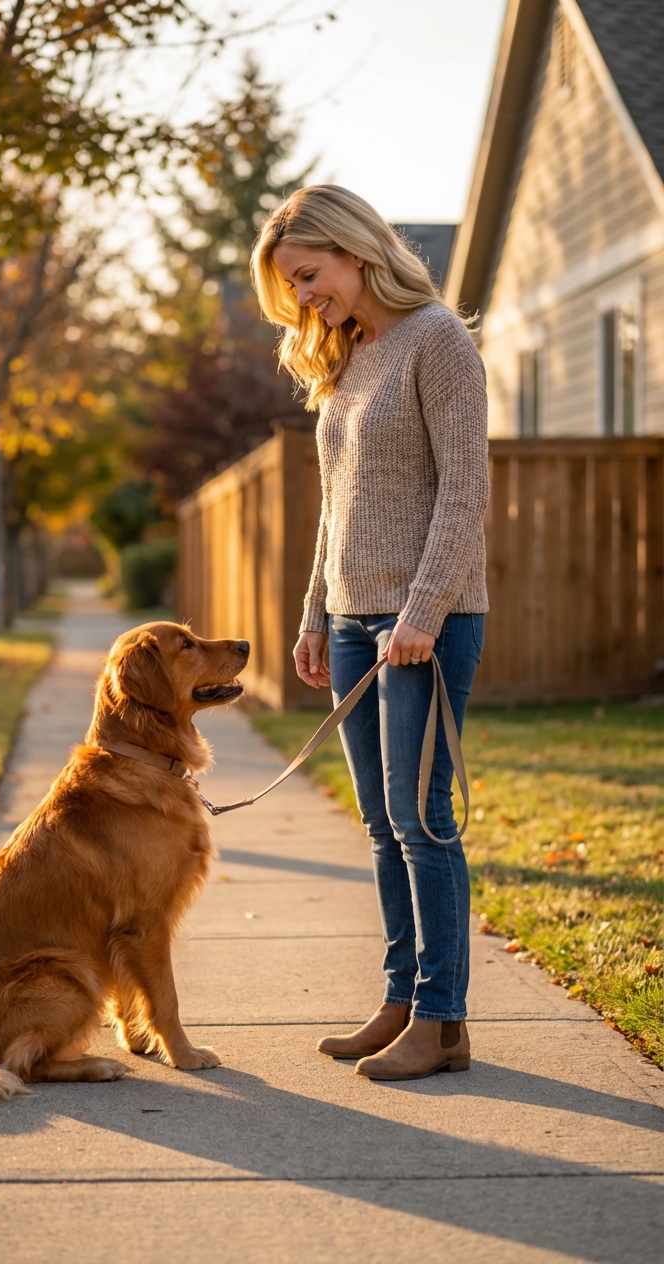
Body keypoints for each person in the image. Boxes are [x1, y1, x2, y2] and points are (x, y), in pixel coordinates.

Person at [250, 185, 489, 1081]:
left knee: (423, 822)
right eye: (293, 289)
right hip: (355, 623)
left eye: (310, 277)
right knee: (383, 825)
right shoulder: (349, 359)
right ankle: (403, 1000)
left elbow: (466, 488)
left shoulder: (439, 339)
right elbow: (335, 507)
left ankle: (442, 1015)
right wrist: (317, 615)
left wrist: (421, 613)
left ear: (355, 251)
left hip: (425, 622)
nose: (306, 299)